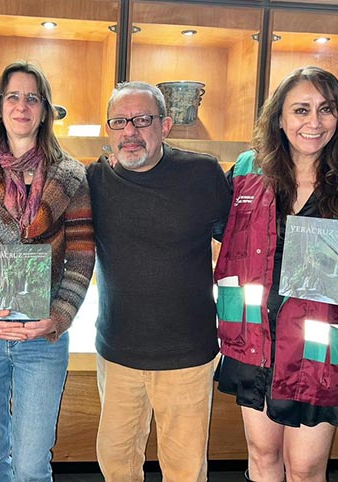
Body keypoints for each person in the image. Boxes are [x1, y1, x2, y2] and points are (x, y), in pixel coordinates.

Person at [214, 66, 338, 482]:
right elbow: (204, 226)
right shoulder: (246, 172)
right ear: (279, 118)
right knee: (262, 456)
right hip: (254, 342)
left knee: (305, 469)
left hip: (318, 354)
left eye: (325, 109)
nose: (313, 122)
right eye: (301, 110)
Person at [0, 61, 95, 482]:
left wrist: (57, 319)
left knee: (30, 464)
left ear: (45, 110)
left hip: (41, 339)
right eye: (13, 96)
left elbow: (81, 256)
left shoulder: (71, 177)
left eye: (32, 97)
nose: (22, 106)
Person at [86, 81, 232, 482]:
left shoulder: (202, 173)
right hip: (117, 352)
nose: (130, 131)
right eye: (119, 121)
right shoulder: (94, 181)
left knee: (185, 471)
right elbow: (38, 177)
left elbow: (240, 242)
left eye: (142, 120)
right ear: (110, 129)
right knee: (116, 465)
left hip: (188, 355)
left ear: (165, 126)